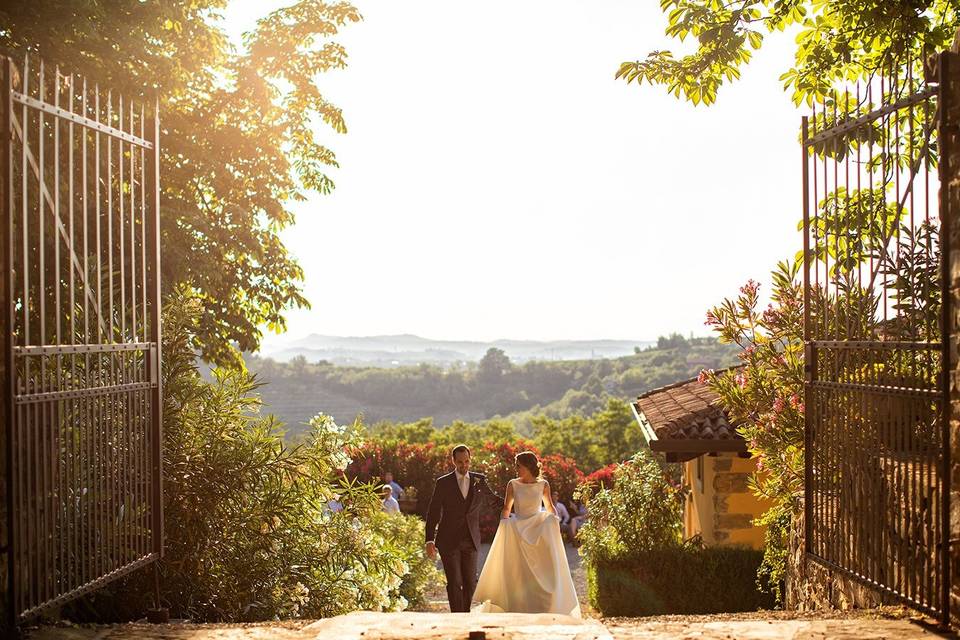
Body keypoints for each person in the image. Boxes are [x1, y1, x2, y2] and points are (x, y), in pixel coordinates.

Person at [472, 451, 581, 617]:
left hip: (537, 526)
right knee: (518, 568)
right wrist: (504, 527)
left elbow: (550, 507)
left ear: (529, 466)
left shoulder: (543, 484)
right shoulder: (513, 484)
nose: (516, 469)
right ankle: (518, 603)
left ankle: (545, 602)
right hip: (519, 528)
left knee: (549, 525)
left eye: (519, 466)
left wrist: (555, 524)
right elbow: (507, 509)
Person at [424, 444, 502, 613]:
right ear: (453, 461)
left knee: (470, 582)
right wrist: (429, 539)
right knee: (454, 582)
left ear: (470, 459)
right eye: (460, 462)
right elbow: (433, 512)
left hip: (471, 539)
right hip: (448, 540)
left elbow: (494, 501)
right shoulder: (443, 483)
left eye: (466, 461)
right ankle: (457, 618)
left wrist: (517, 501)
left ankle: (464, 615)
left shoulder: (479, 480)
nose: (464, 465)